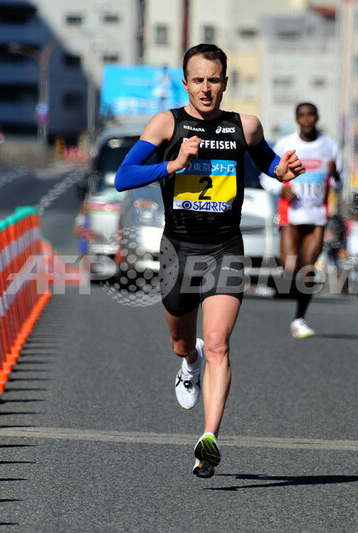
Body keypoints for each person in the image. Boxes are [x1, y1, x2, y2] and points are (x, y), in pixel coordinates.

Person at [114, 43, 305, 478]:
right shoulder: (167, 123)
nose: (206, 88)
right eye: (198, 79)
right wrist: (173, 164)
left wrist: (282, 170)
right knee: (184, 342)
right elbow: (124, 176)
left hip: (225, 249)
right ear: (186, 83)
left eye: (213, 80)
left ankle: (209, 439)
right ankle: (188, 364)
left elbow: (268, 162)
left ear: (224, 82)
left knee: (219, 342)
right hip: (178, 249)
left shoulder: (246, 127)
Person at [259, 102, 342, 337]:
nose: (306, 120)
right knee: (290, 267)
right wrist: (280, 188)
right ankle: (288, 294)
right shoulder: (286, 144)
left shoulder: (330, 146)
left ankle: (299, 319)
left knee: (307, 269)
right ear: (297, 119)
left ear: (316, 117)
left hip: (316, 217)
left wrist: (335, 173)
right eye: (302, 116)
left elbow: (339, 183)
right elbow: (266, 178)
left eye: (310, 115)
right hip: (291, 215)